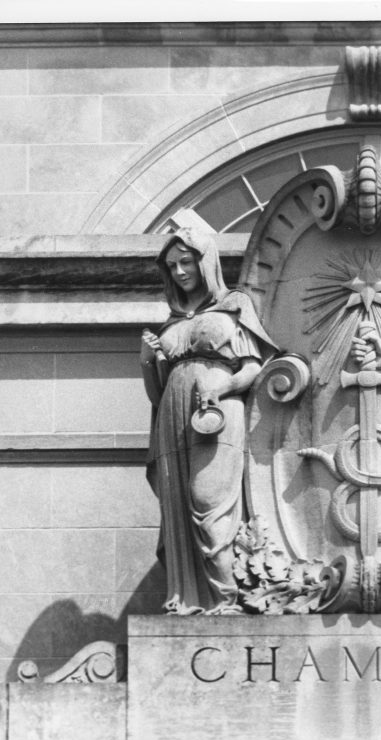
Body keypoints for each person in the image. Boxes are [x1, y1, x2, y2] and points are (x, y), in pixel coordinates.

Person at [141, 227, 277, 614]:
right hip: (172, 418)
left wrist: (223, 388)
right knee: (181, 505)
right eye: (172, 266)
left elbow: (254, 366)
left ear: (206, 262)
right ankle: (189, 600)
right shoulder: (173, 320)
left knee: (208, 501)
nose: (180, 271)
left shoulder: (233, 306)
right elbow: (157, 392)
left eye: (187, 261)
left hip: (217, 412)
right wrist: (147, 361)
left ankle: (228, 598)